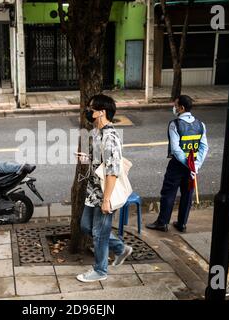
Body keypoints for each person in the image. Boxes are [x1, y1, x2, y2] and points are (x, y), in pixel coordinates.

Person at [75, 94, 133, 283]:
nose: (88, 110)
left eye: (92, 108)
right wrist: (86, 159)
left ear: (102, 112)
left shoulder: (110, 137)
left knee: (99, 233)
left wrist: (107, 199)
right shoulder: (96, 133)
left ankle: (100, 270)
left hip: (103, 193)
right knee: (86, 226)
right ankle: (120, 248)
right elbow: (100, 162)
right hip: (93, 192)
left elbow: (112, 171)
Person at [146, 95, 208, 233]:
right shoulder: (200, 124)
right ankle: (181, 224)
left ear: (182, 108)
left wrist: (189, 164)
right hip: (192, 166)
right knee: (187, 194)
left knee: (168, 193)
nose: (174, 107)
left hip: (177, 165)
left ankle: (162, 223)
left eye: (175, 105)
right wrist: (195, 165)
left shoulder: (175, 124)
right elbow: (204, 147)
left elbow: (175, 149)